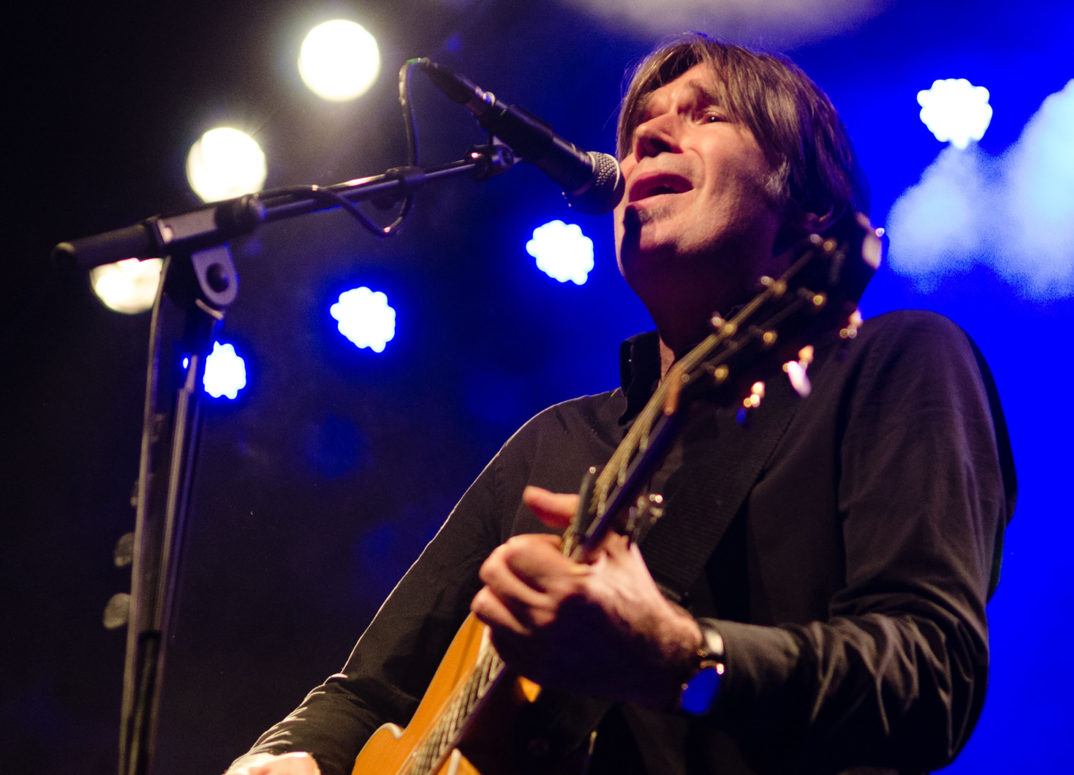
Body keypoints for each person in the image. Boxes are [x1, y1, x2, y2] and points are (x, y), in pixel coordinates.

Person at [226, 34, 1015, 775]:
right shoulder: (555, 442)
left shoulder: (896, 361)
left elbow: (931, 675)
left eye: (707, 113)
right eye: (640, 124)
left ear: (811, 204)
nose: (649, 136)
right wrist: (286, 756)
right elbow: (372, 694)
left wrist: (684, 654)